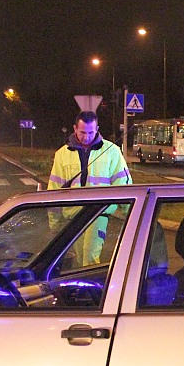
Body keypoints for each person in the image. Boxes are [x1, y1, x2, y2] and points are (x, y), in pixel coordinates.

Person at [49, 110, 132, 265]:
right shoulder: (62, 154)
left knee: (90, 257)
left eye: (90, 132)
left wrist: (132, 216)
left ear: (97, 129)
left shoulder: (111, 151)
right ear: (74, 129)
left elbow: (123, 184)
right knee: (81, 260)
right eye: (82, 132)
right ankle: (87, 288)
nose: (86, 137)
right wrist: (55, 224)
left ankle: (95, 289)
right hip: (73, 216)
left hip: (97, 213)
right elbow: (54, 189)